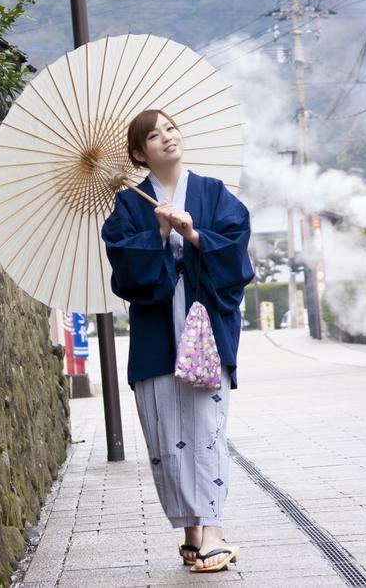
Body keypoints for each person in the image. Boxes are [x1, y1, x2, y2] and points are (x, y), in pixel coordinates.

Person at [100, 109, 254, 573]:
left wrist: (195, 234)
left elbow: (236, 247)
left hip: (205, 331)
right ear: (138, 153)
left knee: (207, 429)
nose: (167, 138)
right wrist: (159, 232)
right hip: (157, 336)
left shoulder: (211, 192)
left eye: (170, 129)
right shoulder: (130, 205)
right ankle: (191, 534)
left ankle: (214, 529)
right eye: (153, 135)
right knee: (168, 436)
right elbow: (125, 272)